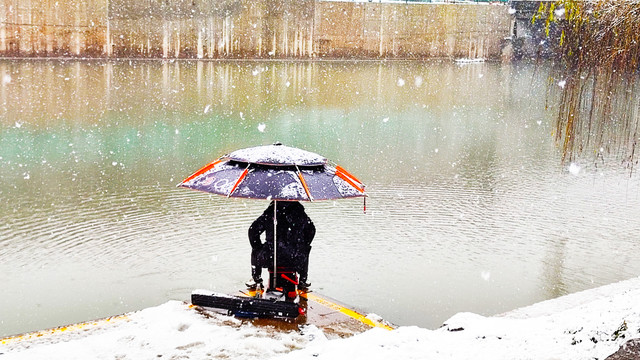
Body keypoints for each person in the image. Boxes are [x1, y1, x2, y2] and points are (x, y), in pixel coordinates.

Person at [246, 201, 315, 290]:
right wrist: (302, 245)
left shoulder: (271, 211)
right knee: (304, 249)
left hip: (271, 257)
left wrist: (259, 247)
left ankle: (256, 278)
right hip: (295, 258)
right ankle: (303, 280)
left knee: (256, 249)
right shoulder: (299, 212)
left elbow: (253, 231)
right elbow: (311, 230)